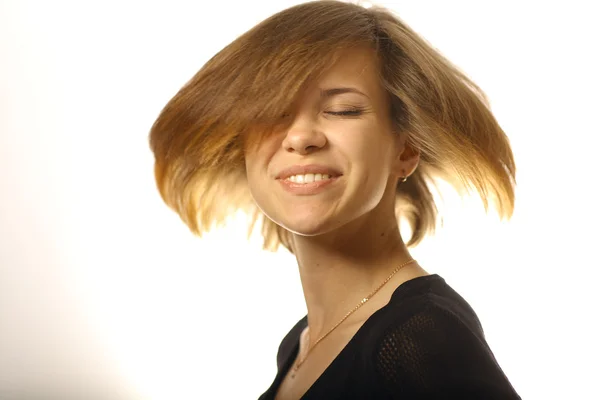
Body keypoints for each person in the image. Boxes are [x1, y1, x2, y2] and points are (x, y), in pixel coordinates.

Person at [148, 1, 521, 398]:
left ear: (406, 148)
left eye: (342, 110)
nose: (301, 137)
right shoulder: (301, 343)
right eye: (272, 111)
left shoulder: (423, 336)